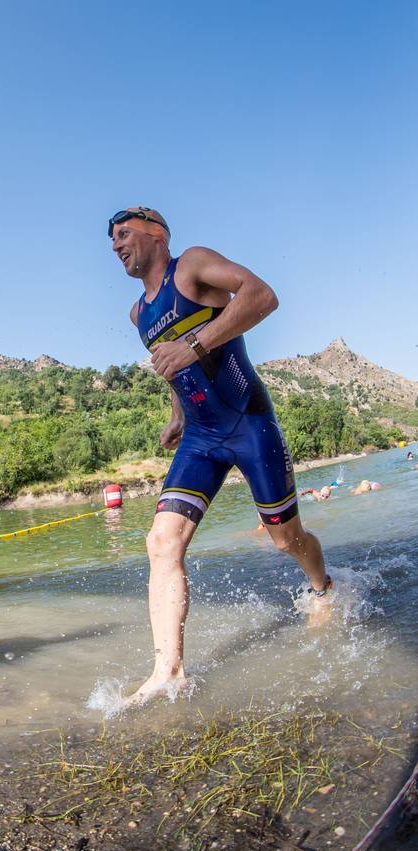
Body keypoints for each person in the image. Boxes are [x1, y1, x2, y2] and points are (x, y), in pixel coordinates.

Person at [109, 206, 333, 704]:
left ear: (156, 235)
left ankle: (322, 588)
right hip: (201, 438)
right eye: (112, 240)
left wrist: (195, 342)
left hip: (248, 423)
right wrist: (177, 415)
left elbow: (262, 295)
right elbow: (172, 365)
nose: (115, 246)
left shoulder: (191, 265)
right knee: (162, 542)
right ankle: (169, 672)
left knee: (285, 541)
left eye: (123, 234)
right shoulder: (138, 313)